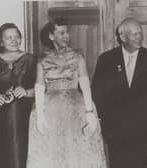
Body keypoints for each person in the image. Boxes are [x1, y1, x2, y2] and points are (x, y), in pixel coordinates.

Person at [27, 18, 107, 168]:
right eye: (61, 33)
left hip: (75, 109)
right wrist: (40, 115)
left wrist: (89, 111)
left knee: (76, 151)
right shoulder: (42, 58)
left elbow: (84, 83)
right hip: (51, 110)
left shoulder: (77, 55)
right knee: (53, 152)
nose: (66, 36)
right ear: (51, 36)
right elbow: (39, 86)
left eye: (67, 32)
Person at [92, 17, 147, 168]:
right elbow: (98, 93)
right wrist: (102, 121)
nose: (139, 37)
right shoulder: (106, 59)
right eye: (134, 34)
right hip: (115, 129)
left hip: (143, 127)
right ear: (122, 37)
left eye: (140, 33)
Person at [0, 23, 36, 168]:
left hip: (24, 117)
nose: (14, 40)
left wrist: (27, 92)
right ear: (1, 41)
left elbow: (42, 88)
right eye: (9, 38)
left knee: (22, 154)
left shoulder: (31, 60)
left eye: (17, 36)